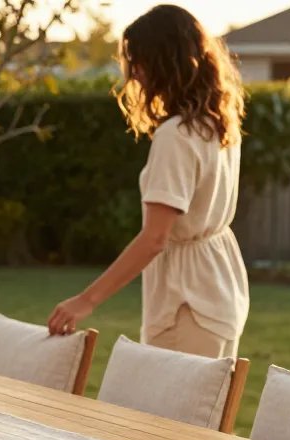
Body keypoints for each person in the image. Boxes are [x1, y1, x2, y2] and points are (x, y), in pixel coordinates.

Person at [48, 4, 249, 360]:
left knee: (171, 414)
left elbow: (155, 237)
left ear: (164, 63)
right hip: (219, 289)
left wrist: (85, 300)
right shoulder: (216, 124)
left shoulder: (178, 134)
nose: (134, 74)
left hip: (186, 301)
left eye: (139, 62)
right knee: (205, 411)